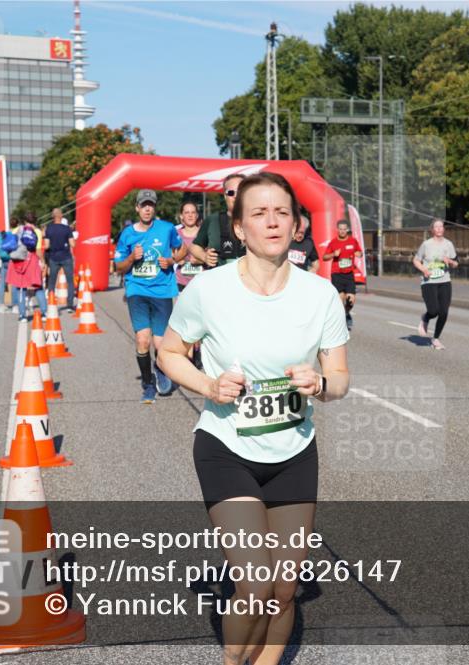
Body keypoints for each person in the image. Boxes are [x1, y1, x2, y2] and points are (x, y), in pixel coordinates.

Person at [158, 171, 350, 665]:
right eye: (259, 213)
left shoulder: (320, 295)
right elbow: (170, 352)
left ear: (297, 224)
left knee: (283, 591)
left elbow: (341, 380)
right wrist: (208, 385)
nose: (272, 221)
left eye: (282, 212)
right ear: (239, 228)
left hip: (293, 453)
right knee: (255, 581)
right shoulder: (210, 290)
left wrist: (320, 385)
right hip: (227, 447)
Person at [113, 189, 186, 403]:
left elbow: (182, 249)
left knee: (160, 345)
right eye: (143, 205)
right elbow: (118, 267)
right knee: (142, 341)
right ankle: (148, 384)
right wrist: (131, 259)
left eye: (150, 205)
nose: (147, 209)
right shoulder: (127, 234)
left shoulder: (166, 229)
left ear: (154, 208)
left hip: (162, 291)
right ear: (137, 208)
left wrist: (172, 262)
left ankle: (160, 367)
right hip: (137, 291)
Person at [412, 219, 459, 350]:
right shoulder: (426, 245)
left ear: (444, 229)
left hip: (445, 281)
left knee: (444, 312)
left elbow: (456, 263)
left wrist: (449, 261)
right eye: (436, 227)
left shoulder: (449, 244)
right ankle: (426, 317)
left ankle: (436, 338)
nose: (439, 229)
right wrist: (424, 270)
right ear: (432, 230)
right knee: (433, 310)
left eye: (441, 226)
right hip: (429, 282)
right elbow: (416, 260)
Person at [191, 173, 247, 268]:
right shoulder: (213, 220)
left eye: (240, 192)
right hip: (218, 279)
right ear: (225, 196)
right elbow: (194, 247)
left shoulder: (258, 220)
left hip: (249, 280)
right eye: (231, 193)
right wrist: (204, 257)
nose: (235, 196)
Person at [322, 220, 361, 330]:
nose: (343, 231)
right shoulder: (333, 243)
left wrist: (359, 253)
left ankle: (346, 314)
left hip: (349, 274)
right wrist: (334, 254)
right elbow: (324, 257)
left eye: (345, 229)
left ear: (347, 229)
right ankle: (339, 321)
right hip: (337, 274)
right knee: (340, 300)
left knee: (351, 301)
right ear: (337, 230)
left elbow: (359, 252)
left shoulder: (353, 241)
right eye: (341, 229)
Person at [6, 220, 48, 322]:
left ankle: (22, 315)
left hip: (19, 261)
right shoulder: (36, 231)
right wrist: (43, 262)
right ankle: (44, 313)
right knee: (38, 287)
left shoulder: (16, 230)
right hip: (32, 260)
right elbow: (38, 250)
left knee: (21, 288)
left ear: (24, 221)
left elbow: (10, 246)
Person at [44, 207, 77, 312]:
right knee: (70, 281)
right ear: (61, 216)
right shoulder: (67, 229)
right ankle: (70, 305)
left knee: (52, 281)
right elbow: (73, 244)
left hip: (53, 257)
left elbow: (46, 245)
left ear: (52, 217)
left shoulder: (48, 228)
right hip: (66, 257)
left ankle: (51, 303)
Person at [174, 201, 204, 293]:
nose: (190, 215)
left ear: (197, 215)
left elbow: (212, 256)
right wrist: (177, 259)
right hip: (181, 285)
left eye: (193, 212)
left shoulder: (204, 233)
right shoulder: (175, 234)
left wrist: (200, 260)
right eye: (187, 213)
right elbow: (168, 256)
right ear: (181, 216)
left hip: (202, 284)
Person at [0, 221, 14, 312]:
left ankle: (1, 304)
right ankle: (15, 304)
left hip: (4, 260)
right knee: (15, 283)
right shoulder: (12, 235)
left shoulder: (1, 236)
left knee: (2, 283)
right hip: (12, 261)